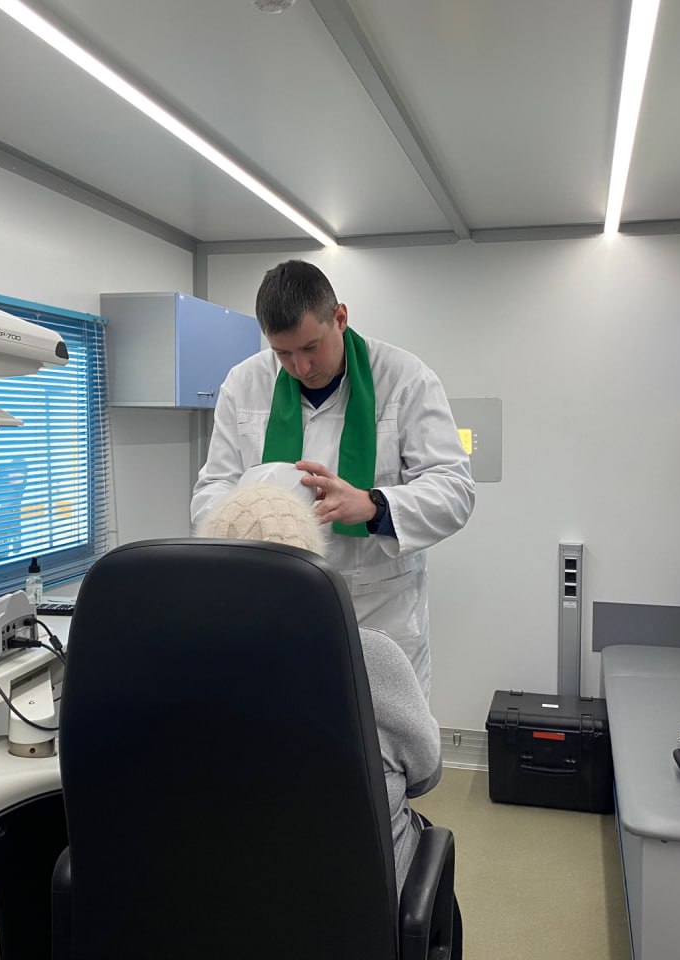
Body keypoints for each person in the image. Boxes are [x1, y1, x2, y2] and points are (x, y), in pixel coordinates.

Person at [190, 260, 475, 697]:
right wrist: (243, 519)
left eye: (311, 347)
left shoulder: (404, 378)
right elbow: (214, 487)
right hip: (272, 603)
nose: (301, 367)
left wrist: (373, 506)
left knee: (380, 733)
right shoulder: (244, 383)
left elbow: (454, 489)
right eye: (283, 353)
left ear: (339, 317)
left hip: (379, 610)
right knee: (283, 727)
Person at [199, 482, 443, 893]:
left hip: (207, 894)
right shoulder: (368, 657)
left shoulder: (174, 660)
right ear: (311, 567)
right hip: (352, 901)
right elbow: (426, 774)